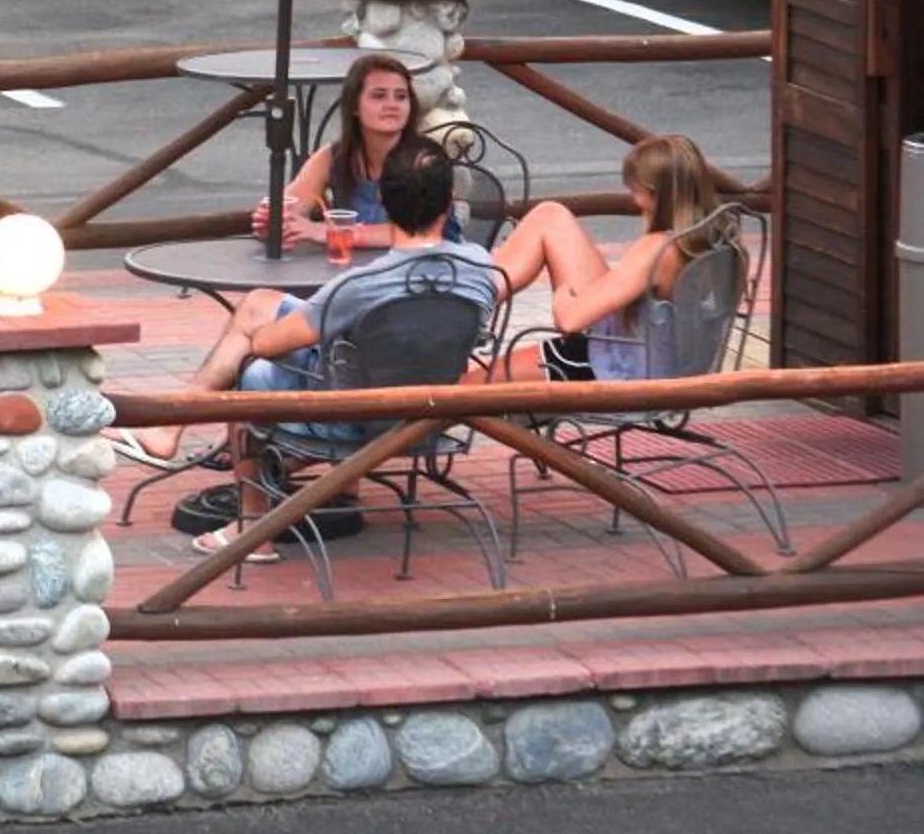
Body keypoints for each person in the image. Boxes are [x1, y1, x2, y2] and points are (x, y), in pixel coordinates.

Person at [141, 142, 499, 559]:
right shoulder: (480, 266)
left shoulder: (360, 286)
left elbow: (268, 344)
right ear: (451, 204)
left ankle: (252, 528)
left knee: (247, 370)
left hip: (350, 421)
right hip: (432, 418)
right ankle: (280, 476)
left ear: (383, 200)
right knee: (267, 306)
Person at [487, 133, 722, 381]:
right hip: (661, 358)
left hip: (615, 369)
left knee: (462, 389)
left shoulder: (658, 249)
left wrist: (562, 295)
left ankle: (466, 307)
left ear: (654, 193)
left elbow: (569, 321)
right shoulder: (715, 238)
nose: (632, 196)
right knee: (550, 215)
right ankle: (474, 301)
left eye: (635, 189)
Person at [255, 54, 417, 248]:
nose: (392, 105)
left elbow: (419, 232)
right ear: (354, 106)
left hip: (429, 270)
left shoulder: (425, 160)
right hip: (354, 270)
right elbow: (291, 205)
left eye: (401, 97)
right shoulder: (333, 157)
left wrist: (329, 232)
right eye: (379, 95)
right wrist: (275, 221)